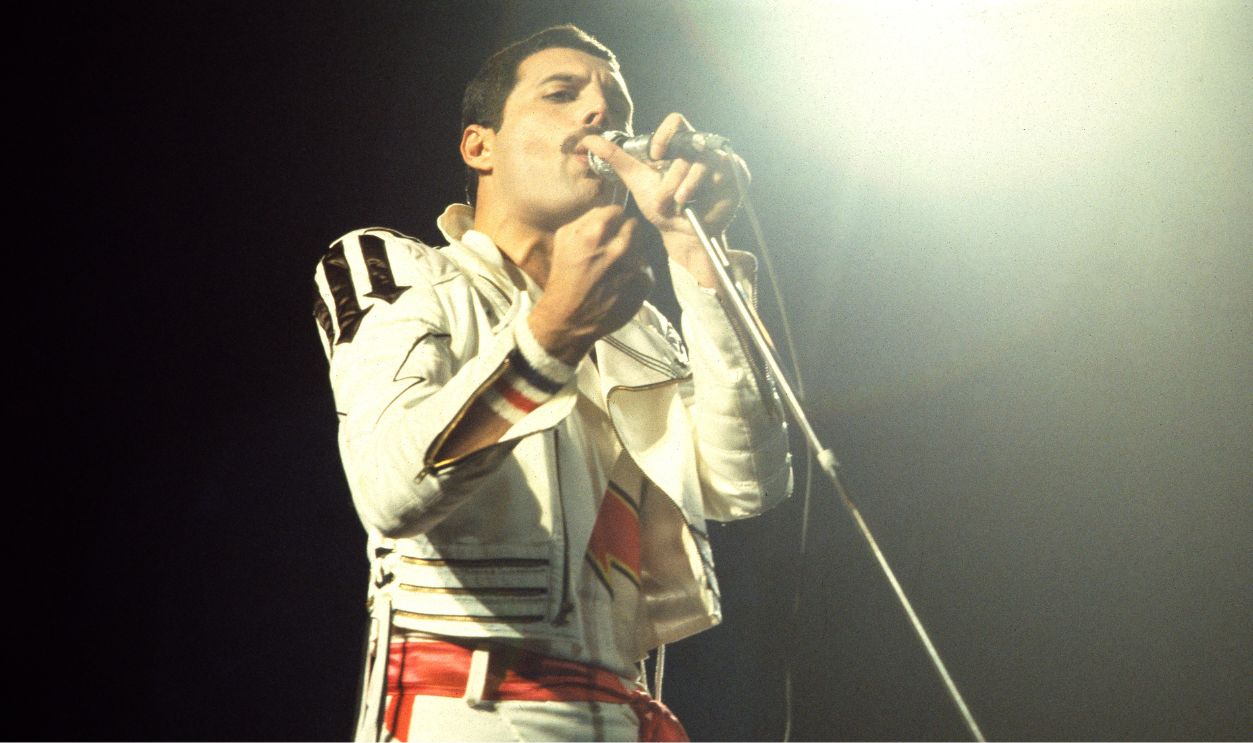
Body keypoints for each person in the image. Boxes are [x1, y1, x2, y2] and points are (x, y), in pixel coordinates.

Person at [313, 24, 792, 742]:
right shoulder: (398, 269)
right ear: (479, 145)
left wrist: (698, 254)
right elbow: (388, 487)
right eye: (562, 94)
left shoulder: (640, 327)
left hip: (628, 708)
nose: (600, 114)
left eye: (614, 106)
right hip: (469, 706)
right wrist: (553, 334)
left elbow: (748, 482)